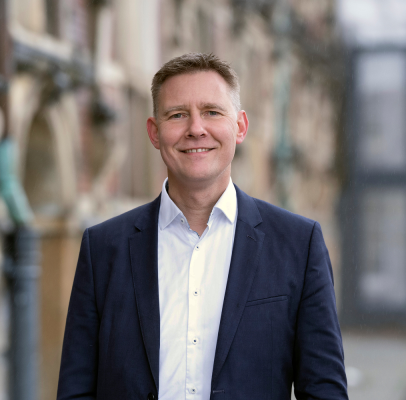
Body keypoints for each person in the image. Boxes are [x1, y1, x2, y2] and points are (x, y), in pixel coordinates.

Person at [57, 53, 348, 400]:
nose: (196, 128)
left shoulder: (299, 245)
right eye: (177, 115)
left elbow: (324, 391)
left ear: (240, 126)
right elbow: (76, 390)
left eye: (212, 112)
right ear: (154, 132)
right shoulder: (102, 248)